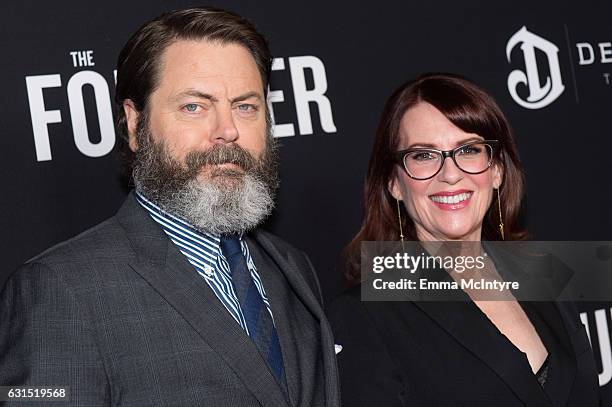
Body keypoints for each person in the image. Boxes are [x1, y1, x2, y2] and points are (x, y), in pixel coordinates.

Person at [0, 8, 339, 406]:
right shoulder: (59, 290)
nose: (227, 130)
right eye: (194, 106)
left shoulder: (290, 266)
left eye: (245, 106)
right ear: (134, 124)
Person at [327, 73, 599, 406]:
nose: (451, 174)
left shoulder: (541, 272)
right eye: (424, 156)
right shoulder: (363, 315)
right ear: (394, 183)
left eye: (468, 150)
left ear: (496, 169)